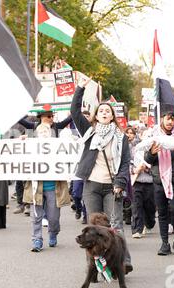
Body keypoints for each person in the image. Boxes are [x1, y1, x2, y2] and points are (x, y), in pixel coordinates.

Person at [71, 77, 133, 273]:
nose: (104, 112)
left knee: (115, 226)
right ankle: (93, 266)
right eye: (101, 111)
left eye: (108, 111)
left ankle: (124, 262)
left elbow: (124, 162)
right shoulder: (89, 132)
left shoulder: (121, 137)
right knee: (92, 229)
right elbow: (74, 111)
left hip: (112, 187)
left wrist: (120, 183)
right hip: (92, 186)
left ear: (112, 115)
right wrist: (80, 87)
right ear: (96, 116)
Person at [144, 107, 174, 256]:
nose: (170, 122)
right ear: (161, 119)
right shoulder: (153, 135)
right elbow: (148, 159)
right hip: (158, 180)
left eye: (172, 119)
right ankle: (164, 243)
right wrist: (152, 153)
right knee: (162, 212)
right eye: (167, 118)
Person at [23, 123, 70, 252]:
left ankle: (53, 232)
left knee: (53, 217)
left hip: (54, 187)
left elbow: (69, 156)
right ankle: (37, 239)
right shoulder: (31, 147)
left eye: (46, 132)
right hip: (36, 188)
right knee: (36, 216)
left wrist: (73, 142)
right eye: (41, 132)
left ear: (51, 134)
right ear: (37, 134)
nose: (44, 134)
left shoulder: (58, 147)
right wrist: (22, 142)